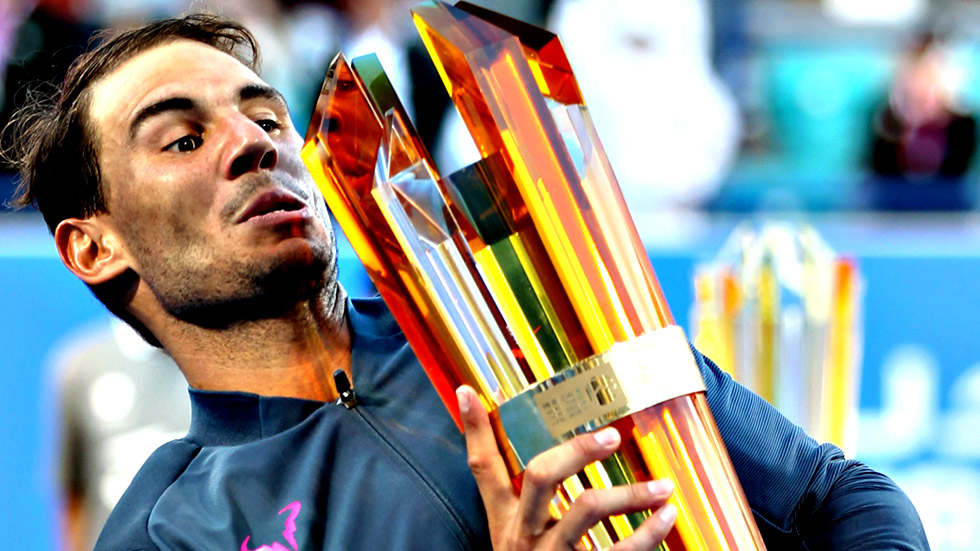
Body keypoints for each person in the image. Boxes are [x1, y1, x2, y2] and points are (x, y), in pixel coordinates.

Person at [3, 14, 929, 551]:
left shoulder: (537, 323)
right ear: (93, 247)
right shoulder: (172, 530)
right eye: (182, 138)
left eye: (268, 117)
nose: (253, 143)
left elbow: (838, 498)